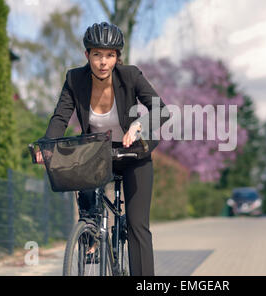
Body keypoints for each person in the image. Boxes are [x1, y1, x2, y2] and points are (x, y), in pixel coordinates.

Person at [35, 22, 169, 276]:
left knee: (137, 225)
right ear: (87, 55)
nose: (103, 62)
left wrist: (139, 125)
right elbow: (60, 118)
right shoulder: (75, 79)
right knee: (87, 204)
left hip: (134, 155)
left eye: (110, 55)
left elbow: (161, 110)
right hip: (97, 153)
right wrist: (47, 146)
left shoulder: (130, 76)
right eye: (97, 54)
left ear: (117, 57)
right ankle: (91, 236)